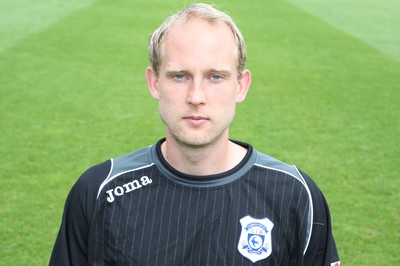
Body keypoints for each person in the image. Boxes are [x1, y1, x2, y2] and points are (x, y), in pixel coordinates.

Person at [50, 3, 340, 265]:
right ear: (154, 83)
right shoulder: (100, 192)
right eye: (180, 76)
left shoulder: (296, 196)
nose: (196, 96)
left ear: (241, 85)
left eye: (216, 76)